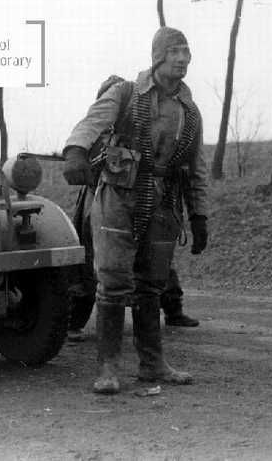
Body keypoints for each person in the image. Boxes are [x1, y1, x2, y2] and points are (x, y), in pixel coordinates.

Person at [62, 26, 208, 394]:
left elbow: (197, 168)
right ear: (158, 56)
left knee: (152, 285)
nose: (183, 59)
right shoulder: (125, 93)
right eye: (175, 51)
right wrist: (75, 151)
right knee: (113, 281)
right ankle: (108, 368)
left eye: (187, 52)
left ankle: (152, 364)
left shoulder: (190, 112)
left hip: (164, 201)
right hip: (119, 198)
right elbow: (92, 122)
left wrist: (199, 215)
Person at [67, 186, 199, 342]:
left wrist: (198, 215)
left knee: (156, 260)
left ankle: (173, 310)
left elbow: (190, 177)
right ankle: (75, 321)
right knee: (95, 263)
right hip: (107, 195)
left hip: (156, 195)